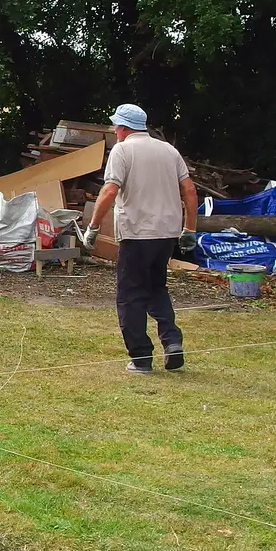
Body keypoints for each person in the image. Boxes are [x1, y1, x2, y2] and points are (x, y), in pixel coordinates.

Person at [84, 104, 196, 374]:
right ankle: (172, 340)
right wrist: (189, 229)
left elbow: (109, 191)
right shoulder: (168, 150)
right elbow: (189, 191)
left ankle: (141, 358)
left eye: (115, 126)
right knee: (156, 287)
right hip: (167, 233)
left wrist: (94, 227)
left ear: (123, 128)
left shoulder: (123, 150)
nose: (114, 131)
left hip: (136, 233)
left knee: (130, 294)